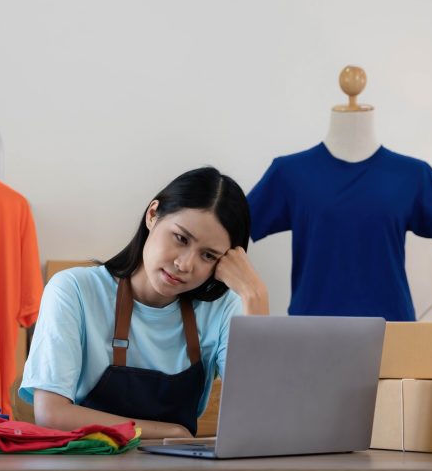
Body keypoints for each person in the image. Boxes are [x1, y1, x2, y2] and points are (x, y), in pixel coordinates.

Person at [19, 167, 268, 438]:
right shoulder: (74, 290)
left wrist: (254, 296)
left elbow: (256, 418)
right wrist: (170, 433)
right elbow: (52, 414)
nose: (185, 264)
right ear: (152, 215)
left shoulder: (222, 308)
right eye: (181, 238)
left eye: (208, 256)